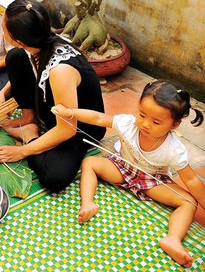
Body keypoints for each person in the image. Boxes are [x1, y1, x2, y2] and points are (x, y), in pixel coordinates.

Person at [52, 80, 205, 268]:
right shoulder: (128, 123)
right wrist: (72, 113)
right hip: (122, 168)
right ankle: (87, 203)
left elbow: (190, 179)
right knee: (90, 162)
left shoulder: (174, 149)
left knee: (189, 202)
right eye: (142, 115)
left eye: (156, 122)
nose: (145, 124)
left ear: (174, 125)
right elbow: (100, 118)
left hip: (153, 182)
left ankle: (173, 239)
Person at [0, 0, 106, 193]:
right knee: (15, 58)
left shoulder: (61, 70)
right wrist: (4, 92)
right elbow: (30, 65)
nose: (1, 27)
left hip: (81, 128)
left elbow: (67, 130)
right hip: (55, 111)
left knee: (54, 178)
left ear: (19, 39)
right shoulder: (37, 42)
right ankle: (29, 118)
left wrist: (22, 150)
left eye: (3, 26)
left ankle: (30, 132)